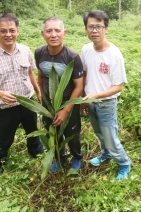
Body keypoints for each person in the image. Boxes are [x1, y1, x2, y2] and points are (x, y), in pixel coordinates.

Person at [0, 13, 44, 175]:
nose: (8, 35)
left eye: (12, 30)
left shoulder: (25, 50)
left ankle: (36, 153)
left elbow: (29, 73)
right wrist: (0, 94)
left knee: (33, 130)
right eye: (3, 31)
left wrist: (37, 90)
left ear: (18, 31)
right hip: (5, 107)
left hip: (28, 102)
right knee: (4, 136)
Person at [80, 9, 131, 181]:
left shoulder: (114, 54)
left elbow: (118, 87)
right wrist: (84, 99)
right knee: (100, 134)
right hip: (90, 102)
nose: (95, 30)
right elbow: (85, 75)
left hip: (106, 104)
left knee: (110, 138)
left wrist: (95, 95)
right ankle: (106, 155)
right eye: (91, 27)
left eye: (99, 27)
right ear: (86, 29)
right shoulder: (86, 49)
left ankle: (124, 163)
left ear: (106, 29)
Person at [35, 17, 84, 172]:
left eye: (57, 30)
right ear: (43, 34)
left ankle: (77, 157)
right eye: (49, 31)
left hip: (67, 103)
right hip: (49, 105)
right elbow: (41, 75)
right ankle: (60, 158)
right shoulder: (39, 52)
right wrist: (41, 96)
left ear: (64, 33)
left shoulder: (72, 57)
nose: (53, 34)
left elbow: (79, 86)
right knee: (53, 133)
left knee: (72, 134)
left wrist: (65, 110)